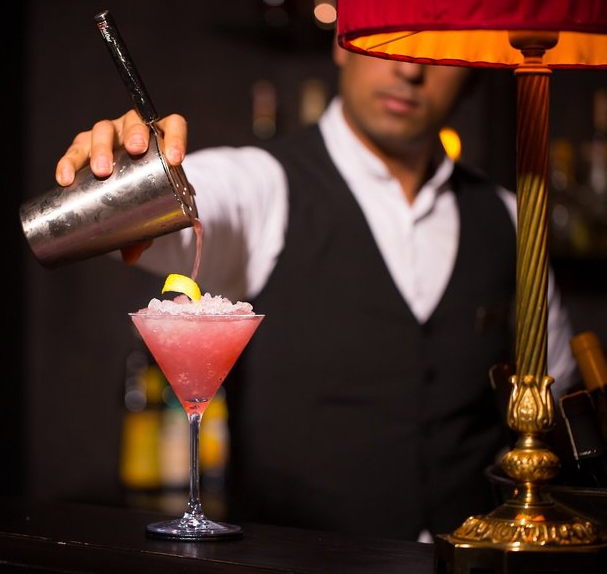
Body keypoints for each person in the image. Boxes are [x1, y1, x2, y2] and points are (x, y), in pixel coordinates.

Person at [54, 41, 579, 542]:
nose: (409, 69)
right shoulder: (267, 186)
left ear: (472, 65)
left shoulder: (511, 220)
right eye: (385, 39)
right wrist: (126, 180)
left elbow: (555, 399)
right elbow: (201, 197)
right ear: (341, 43)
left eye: (434, 49)